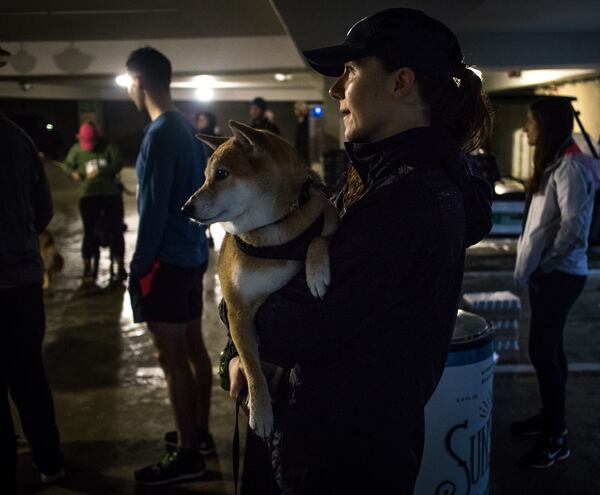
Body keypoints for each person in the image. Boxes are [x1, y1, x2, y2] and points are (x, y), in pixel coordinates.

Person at [220, 8, 493, 494]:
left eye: (349, 72)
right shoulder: (397, 181)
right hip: (353, 447)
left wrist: (233, 307)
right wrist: (239, 351)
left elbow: (296, 328)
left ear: (400, 82)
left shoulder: (405, 200)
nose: (334, 89)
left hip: (337, 464)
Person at [125, 46, 213, 486]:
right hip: (192, 256)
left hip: (167, 262)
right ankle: (197, 432)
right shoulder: (186, 128)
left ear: (137, 81)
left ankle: (187, 455)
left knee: (171, 358)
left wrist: (137, 270)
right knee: (193, 348)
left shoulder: (161, 133)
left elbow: (154, 212)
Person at [512, 97, 594, 468]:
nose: (525, 129)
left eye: (530, 122)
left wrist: (546, 265)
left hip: (560, 276)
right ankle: (550, 417)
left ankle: (557, 436)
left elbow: (574, 228)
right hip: (550, 274)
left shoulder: (571, 166)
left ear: (544, 126)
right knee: (550, 350)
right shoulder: (556, 162)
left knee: (543, 352)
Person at [0, 113, 65, 491]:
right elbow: (44, 210)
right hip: (23, 279)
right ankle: (49, 460)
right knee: (28, 375)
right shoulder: (18, 139)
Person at [64, 121, 127, 281]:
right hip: (89, 196)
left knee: (116, 230)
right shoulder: (77, 149)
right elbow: (67, 165)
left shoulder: (108, 146)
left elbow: (118, 162)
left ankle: (120, 265)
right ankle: (87, 266)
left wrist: (101, 171)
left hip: (110, 195)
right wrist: (73, 173)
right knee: (89, 232)